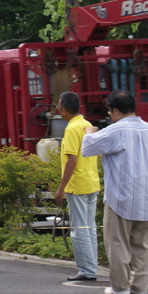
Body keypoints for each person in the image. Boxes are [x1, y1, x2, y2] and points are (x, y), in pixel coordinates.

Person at [81, 90, 148, 294]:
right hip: (146, 196)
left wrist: (89, 131)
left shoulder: (114, 131)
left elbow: (87, 148)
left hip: (120, 195)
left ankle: (120, 287)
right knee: (142, 244)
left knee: (118, 242)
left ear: (116, 110)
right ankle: (140, 287)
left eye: (110, 111)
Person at [53, 91, 100, 282]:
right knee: (90, 227)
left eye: (58, 105)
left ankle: (87, 270)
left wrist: (61, 187)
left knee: (79, 228)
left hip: (77, 184)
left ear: (63, 109)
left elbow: (72, 159)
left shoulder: (72, 129)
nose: (57, 108)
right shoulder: (87, 125)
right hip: (91, 181)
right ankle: (91, 267)